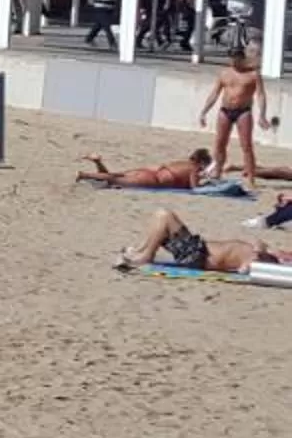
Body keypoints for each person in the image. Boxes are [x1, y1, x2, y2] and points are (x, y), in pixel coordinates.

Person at [116, 207, 282, 275]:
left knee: (165, 215)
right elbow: (261, 243)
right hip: (197, 249)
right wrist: (261, 249)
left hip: (197, 256)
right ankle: (142, 250)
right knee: (161, 217)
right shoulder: (256, 252)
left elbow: (244, 270)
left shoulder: (253, 260)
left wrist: (258, 255)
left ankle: (146, 256)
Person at [202, 49, 268, 184]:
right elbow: (214, 93)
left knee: (246, 146)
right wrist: (204, 111)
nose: (233, 61)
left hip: (243, 111)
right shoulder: (224, 73)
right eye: (231, 58)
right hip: (225, 110)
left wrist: (262, 114)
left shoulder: (253, 75)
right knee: (220, 143)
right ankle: (217, 172)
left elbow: (261, 95)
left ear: (242, 58)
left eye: (236, 59)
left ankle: (251, 179)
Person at [77, 150, 215, 190]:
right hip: (154, 180)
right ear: (201, 163)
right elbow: (195, 188)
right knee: (113, 180)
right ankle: (85, 174)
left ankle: (98, 161)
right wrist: (206, 182)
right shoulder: (194, 169)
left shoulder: (182, 163)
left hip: (149, 171)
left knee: (114, 176)